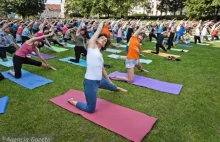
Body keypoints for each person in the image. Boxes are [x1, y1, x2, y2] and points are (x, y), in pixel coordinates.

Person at [67, 20, 127, 113]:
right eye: (102, 38)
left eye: (105, 40)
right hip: (90, 82)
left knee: (112, 87)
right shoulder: (91, 46)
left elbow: (102, 69)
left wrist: (109, 81)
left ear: (103, 45)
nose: (104, 40)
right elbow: (98, 31)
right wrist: (101, 24)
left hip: (99, 80)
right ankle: (73, 101)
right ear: (97, 39)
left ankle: (117, 88)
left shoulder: (99, 54)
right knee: (90, 109)